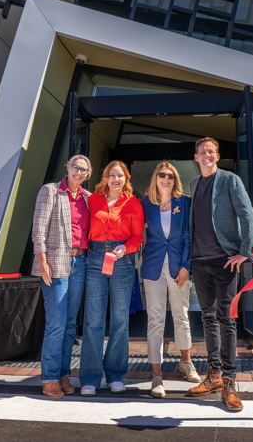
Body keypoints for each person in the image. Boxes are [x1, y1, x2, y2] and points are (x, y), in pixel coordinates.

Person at [185, 137, 253, 412]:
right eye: (203, 152)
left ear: (217, 155)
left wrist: (244, 252)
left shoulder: (229, 180)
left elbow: (247, 215)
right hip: (199, 261)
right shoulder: (194, 184)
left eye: (211, 152)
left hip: (225, 261)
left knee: (226, 319)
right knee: (207, 317)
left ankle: (229, 380)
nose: (207, 156)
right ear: (196, 156)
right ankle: (213, 375)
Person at [31, 155, 92, 399]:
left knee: (69, 325)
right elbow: (39, 228)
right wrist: (42, 259)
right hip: (55, 263)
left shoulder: (88, 199)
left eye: (84, 171)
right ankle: (49, 377)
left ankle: (64, 373)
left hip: (80, 262)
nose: (79, 173)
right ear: (67, 167)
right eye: (76, 168)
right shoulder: (51, 191)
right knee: (56, 323)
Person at [80, 161, 143, 396]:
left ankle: (115, 375)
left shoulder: (134, 204)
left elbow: (137, 238)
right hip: (95, 258)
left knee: (119, 320)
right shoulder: (93, 200)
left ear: (126, 179)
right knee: (93, 320)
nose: (116, 179)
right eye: (111, 175)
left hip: (121, 261)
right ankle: (90, 377)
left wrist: (124, 249)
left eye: (120, 176)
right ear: (105, 178)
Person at [141, 161, 200, 398]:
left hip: (178, 268)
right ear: (155, 178)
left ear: (175, 180)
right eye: (162, 175)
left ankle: (186, 363)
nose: (166, 179)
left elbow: (189, 236)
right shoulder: (145, 203)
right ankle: (156, 375)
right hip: (153, 267)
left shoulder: (184, 203)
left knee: (181, 315)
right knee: (155, 319)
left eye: (170, 176)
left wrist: (186, 267)